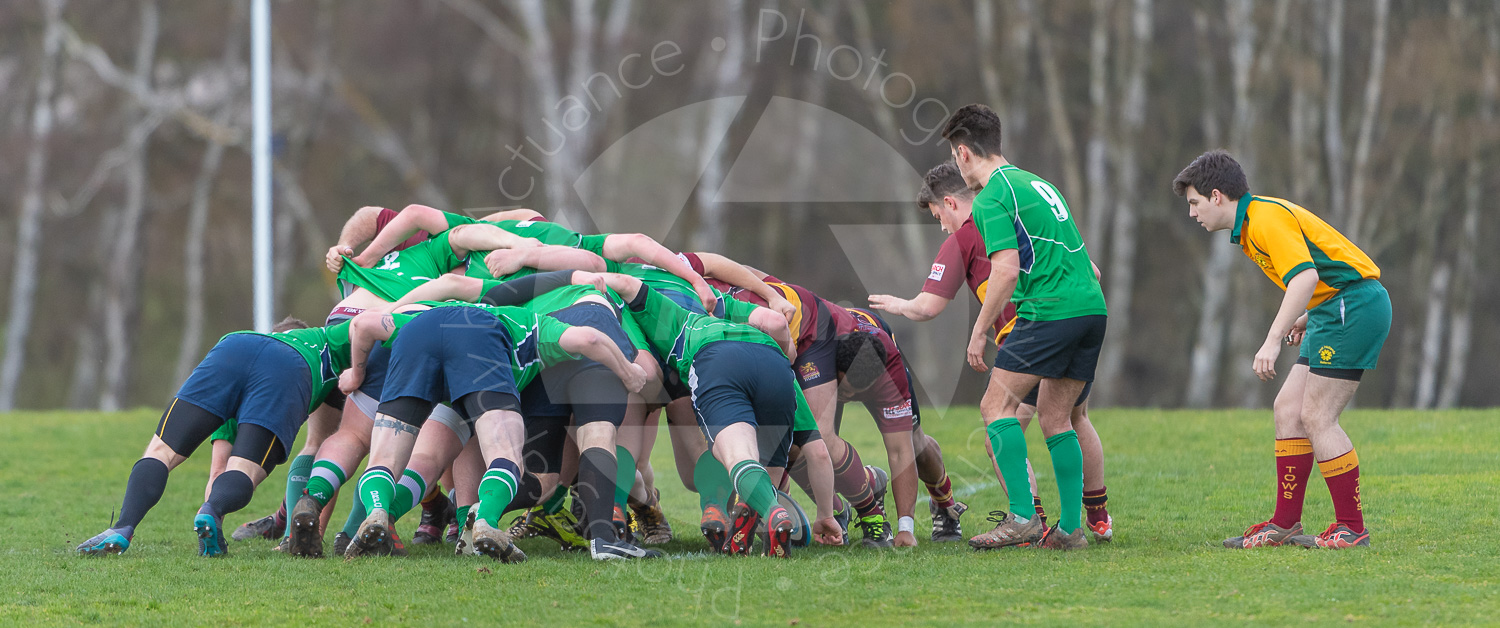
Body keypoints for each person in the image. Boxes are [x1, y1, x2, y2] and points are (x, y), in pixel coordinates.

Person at [868, 161, 1113, 542]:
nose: (942, 225)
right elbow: (1092, 271)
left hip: (1034, 332)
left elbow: (928, 306)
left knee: (998, 422)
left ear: (950, 203)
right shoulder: (1016, 210)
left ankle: (1029, 520)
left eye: (938, 216)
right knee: (1071, 419)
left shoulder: (965, 235)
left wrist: (898, 305)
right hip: (1079, 316)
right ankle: (1092, 518)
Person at [1174, 149, 1386, 549]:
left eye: (1195, 203)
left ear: (1217, 196)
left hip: (1354, 305)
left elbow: (1304, 277)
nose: (1192, 213)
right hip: (1336, 305)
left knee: (1317, 416)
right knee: (1288, 409)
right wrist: (1305, 319)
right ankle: (1285, 524)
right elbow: (1320, 273)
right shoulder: (1254, 222)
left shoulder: (1265, 219)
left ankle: (1352, 529)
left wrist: (1274, 338)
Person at [942, 104, 1107, 550]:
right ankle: (1071, 530)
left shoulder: (994, 194)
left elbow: (1007, 270)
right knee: (1057, 417)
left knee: (995, 407)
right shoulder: (1038, 183)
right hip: (1092, 308)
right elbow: (1089, 266)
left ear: (962, 153)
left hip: (1049, 310)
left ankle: (1022, 518)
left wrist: (978, 332)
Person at [599, 272, 844, 557]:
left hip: (715, 358)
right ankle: (752, 523)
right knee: (764, 468)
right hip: (776, 366)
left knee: (737, 456)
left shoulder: (681, 316)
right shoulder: (728, 308)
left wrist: (585, 275)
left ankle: (774, 512)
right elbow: (819, 453)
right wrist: (826, 515)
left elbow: (628, 285)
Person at [76, 317, 349, 557]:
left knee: (161, 451)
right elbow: (364, 323)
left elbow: (217, 469)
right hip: (287, 369)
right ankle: (213, 511)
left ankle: (122, 527)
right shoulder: (324, 338)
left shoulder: (256, 341)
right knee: (244, 470)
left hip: (233, 347)